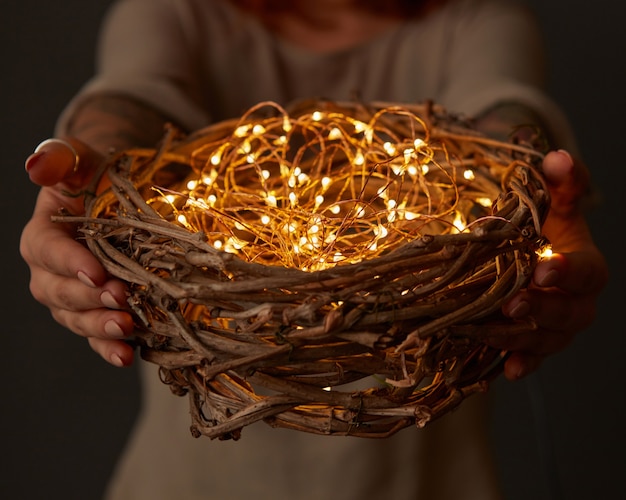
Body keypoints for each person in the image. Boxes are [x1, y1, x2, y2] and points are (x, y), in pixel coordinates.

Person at [19, 0, 608, 498]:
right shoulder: (175, 11)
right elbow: (136, 98)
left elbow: (499, 114)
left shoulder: (476, 18)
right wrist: (88, 165)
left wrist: (528, 174)